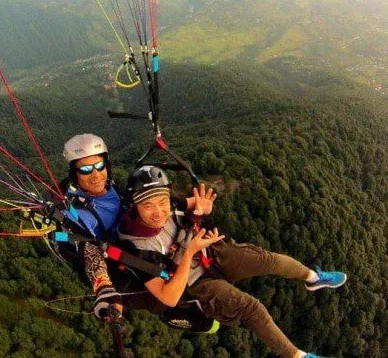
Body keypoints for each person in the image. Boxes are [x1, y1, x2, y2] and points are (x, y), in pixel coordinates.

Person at [118, 165, 347, 358]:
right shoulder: (135, 247)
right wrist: (189, 252)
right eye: (148, 205)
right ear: (135, 206)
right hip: (194, 283)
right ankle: (298, 356)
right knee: (252, 309)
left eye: (162, 202)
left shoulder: (171, 206)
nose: (159, 212)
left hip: (210, 252)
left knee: (270, 260)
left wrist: (203, 209)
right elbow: (169, 298)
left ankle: (313, 278)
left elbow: (194, 207)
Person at [59, 133, 125, 317]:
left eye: (100, 166)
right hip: (119, 263)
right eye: (86, 169)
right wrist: (103, 285)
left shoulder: (112, 187)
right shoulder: (78, 213)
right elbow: (87, 244)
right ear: (75, 174)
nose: (96, 175)